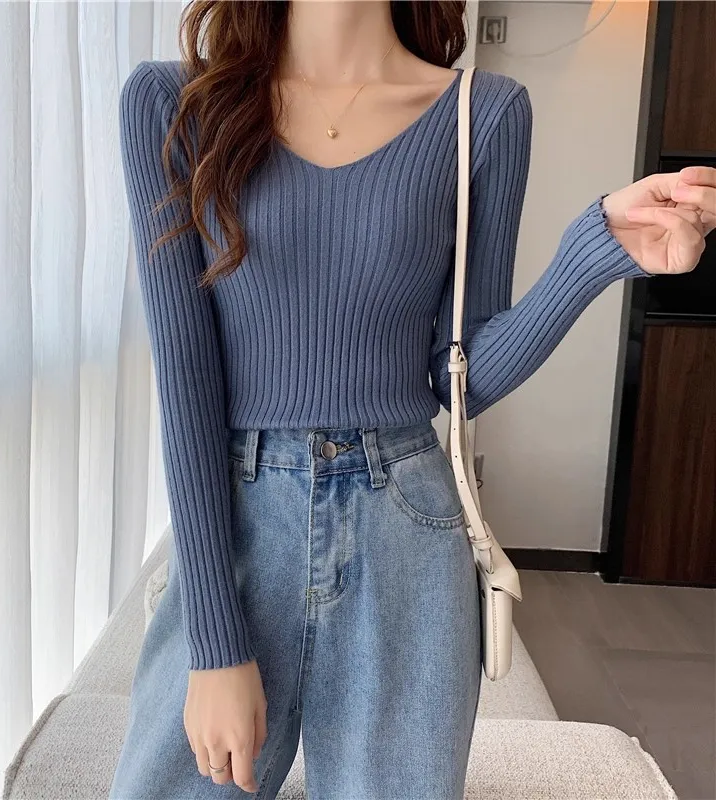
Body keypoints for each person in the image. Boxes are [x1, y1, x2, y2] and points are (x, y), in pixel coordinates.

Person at [109, 2, 715, 798]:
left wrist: (594, 251)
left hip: (406, 531)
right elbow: (185, 380)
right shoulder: (171, 103)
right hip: (242, 514)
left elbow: (462, 377)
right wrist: (216, 646)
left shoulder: (482, 114)